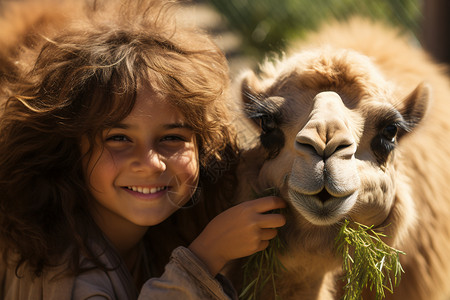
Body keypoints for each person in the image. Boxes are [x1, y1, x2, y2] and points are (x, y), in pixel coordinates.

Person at [0, 0, 286, 299]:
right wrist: (203, 259)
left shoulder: (156, 238)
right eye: (119, 138)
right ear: (72, 147)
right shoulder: (67, 276)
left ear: (205, 147)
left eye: (172, 138)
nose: (151, 164)